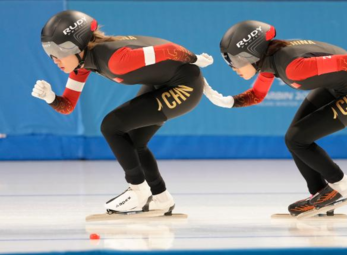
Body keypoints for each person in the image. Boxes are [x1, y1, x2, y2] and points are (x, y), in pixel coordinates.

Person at [201, 20, 347, 216]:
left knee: (297, 139)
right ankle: (321, 193)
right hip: (336, 87)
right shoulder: (271, 59)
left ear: (251, 53)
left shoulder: (292, 66)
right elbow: (256, 95)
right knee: (293, 139)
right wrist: (227, 101)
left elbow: (346, 60)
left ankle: (341, 184)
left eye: (234, 61)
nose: (233, 67)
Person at [32, 10, 213, 214]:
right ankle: (161, 198)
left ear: (76, 46)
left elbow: (169, 49)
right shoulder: (83, 64)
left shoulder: (116, 60)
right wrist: (50, 97)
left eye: (58, 52)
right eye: (49, 53)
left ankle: (138, 190)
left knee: (111, 125)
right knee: (134, 142)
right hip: (163, 82)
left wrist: (195, 59)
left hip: (185, 86)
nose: (54, 59)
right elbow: (67, 105)